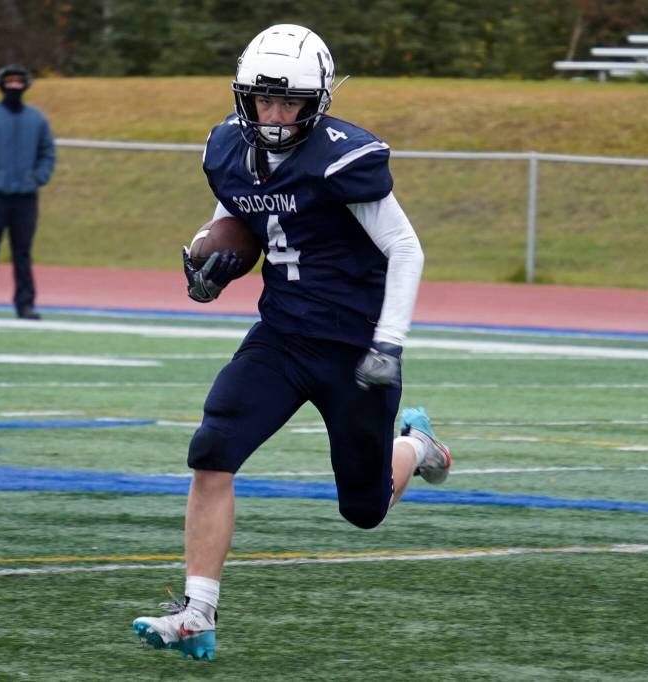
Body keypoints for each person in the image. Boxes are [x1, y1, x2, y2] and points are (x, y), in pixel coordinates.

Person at [132, 24, 451, 661]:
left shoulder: (341, 157)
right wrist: (207, 262)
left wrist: (388, 344)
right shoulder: (227, 146)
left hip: (354, 349)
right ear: (245, 97)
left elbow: (405, 247)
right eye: (265, 100)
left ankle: (416, 446)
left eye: (290, 102)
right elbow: (235, 215)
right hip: (281, 335)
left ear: (318, 102)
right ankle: (197, 612)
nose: (275, 115)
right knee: (212, 448)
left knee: (364, 510)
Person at [0, 63, 56, 320]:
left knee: (22, 252)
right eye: (10, 82)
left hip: (25, 198)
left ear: (26, 86)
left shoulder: (37, 119)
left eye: (19, 82)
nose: (14, 86)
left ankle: (25, 304)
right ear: (1, 85)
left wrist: (37, 177)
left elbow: (47, 152)